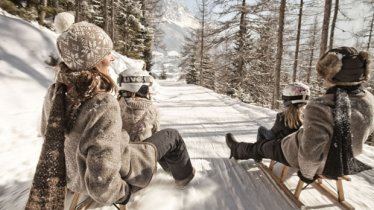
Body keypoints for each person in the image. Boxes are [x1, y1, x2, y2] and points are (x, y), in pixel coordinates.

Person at [39, 22, 194, 209]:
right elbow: (102, 184)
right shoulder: (102, 103)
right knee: (171, 137)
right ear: (93, 60)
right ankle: (184, 178)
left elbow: (47, 134)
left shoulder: (55, 93)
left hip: (72, 176)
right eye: (106, 53)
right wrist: (124, 194)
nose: (111, 58)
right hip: (124, 170)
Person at [226, 46, 374, 183]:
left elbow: (309, 153)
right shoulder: (369, 100)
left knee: (261, 146)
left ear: (332, 77)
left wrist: (307, 174)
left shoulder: (321, 106)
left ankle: (237, 149)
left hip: (303, 155)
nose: (323, 81)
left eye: (325, 76)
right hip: (343, 161)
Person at [244, 82, 310, 162]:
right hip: (299, 149)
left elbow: (272, 135)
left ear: (287, 100)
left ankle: (257, 155)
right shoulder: (308, 117)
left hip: (281, 149)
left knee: (261, 129)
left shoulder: (282, 117)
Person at [117, 68, 160, 142]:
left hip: (119, 151)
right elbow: (156, 135)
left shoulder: (115, 106)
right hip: (144, 152)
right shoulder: (153, 109)